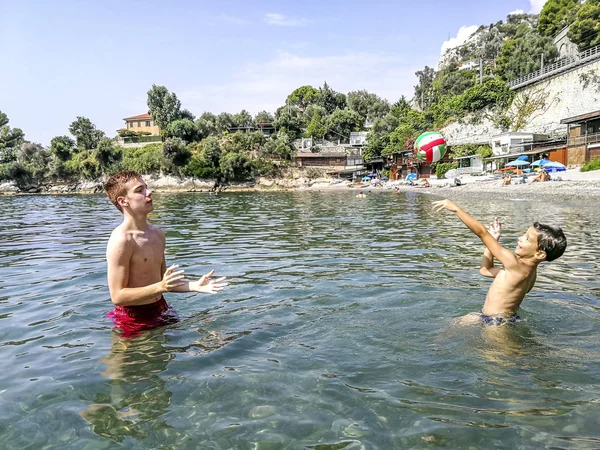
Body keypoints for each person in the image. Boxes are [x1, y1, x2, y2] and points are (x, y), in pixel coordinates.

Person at [104, 171, 228, 337]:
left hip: (161, 309)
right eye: (140, 190)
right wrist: (160, 287)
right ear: (123, 201)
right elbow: (117, 296)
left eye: (146, 187)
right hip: (133, 318)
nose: (149, 192)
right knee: (128, 362)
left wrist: (195, 286)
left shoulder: (158, 234)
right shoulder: (121, 241)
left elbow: (164, 282)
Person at [432, 199, 567, 326]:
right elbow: (485, 270)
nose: (519, 238)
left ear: (539, 254)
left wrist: (456, 209)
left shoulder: (514, 264)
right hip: (492, 317)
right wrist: (494, 241)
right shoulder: (527, 273)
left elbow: (482, 233)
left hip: (497, 324)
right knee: (448, 329)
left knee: (493, 352)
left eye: (526, 238)